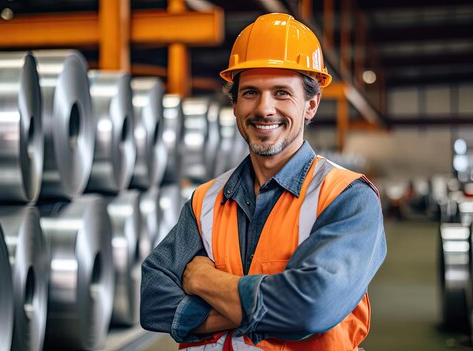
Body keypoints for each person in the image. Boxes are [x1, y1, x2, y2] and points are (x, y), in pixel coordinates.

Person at [140, 12, 387, 351]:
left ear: (311, 104)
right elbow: (152, 300)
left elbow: (308, 307)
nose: (264, 108)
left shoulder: (347, 198)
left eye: (282, 93)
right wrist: (265, 304)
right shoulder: (205, 201)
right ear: (235, 104)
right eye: (251, 93)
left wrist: (202, 279)